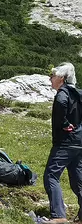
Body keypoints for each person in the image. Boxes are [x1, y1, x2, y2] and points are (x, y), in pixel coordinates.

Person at [43, 63, 82, 224]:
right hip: (79, 142)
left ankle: (58, 215)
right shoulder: (78, 94)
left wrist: (66, 125)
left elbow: (60, 117)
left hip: (65, 142)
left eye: (53, 76)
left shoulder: (62, 95)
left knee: (51, 175)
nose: (50, 79)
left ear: (62, 78)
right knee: (77, 178)